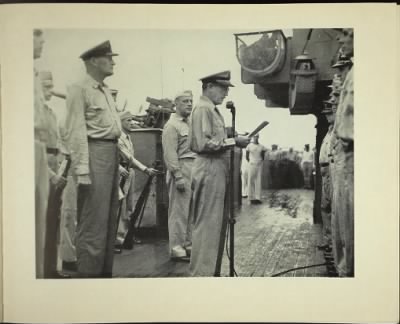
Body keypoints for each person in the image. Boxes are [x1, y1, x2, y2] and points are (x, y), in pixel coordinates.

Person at [63, 40, 121, 278]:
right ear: (93, 61)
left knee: (108, 222)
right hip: (95, 154)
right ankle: (88, 277)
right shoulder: (79, 89)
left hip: (111, 153)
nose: (113, 61)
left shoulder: (105, 90)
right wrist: (83, 170)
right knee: (93, 222)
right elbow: (76, 130)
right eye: (108, 57)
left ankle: (103, 275)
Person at [188, 71, 250, 276]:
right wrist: (234, 142)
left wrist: (232, 137)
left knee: (215, 225)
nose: (225, 93)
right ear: (209, 87)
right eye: (222, 88)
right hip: (209, 167)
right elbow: (201, 143)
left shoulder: (211, 110)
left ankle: (210, 273)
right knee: (207, 225)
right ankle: (201, 275)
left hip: (216, 168)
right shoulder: (203, 109)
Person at [115, 110, 158, 251]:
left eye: (131, 120)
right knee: (119, 207)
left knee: (129, 206)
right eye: (128, 121)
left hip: (130, 172)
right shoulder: (119, 138)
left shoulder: (128, 137)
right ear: (120, 122)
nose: (131, 123)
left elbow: (131, 160)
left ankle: (127, 234)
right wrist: (145, 169)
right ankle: (117, 239)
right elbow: (128, 158)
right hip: (122, 172)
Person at [162, 90, 196, 261]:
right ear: (176, 104)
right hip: (181, 168)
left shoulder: (190, 123)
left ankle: (188, 245)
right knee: (178, 211)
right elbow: (170, 154)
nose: (189, 104)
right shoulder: (172, 126)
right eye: (185, 101)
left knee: (190, 211)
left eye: (191, 101)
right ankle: (176, 248)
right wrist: (178, 175)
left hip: (193, 167)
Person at [39, 71, 68, 278]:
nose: (50, 91)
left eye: (51, 86)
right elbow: (33, 150)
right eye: (46, 86)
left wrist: (58, 170)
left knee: (52, 221)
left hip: (53, 165)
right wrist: (51, 175)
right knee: (42, 222)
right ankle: (41, 270)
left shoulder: (49, 112)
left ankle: (50, 268)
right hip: (42, 170)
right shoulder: (35, 113)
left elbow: (55, 147)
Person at [331, 28, 354, 277]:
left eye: (345, 34)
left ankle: (349, 272)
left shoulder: (360, 76)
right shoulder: (352, 78)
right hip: (344, 158)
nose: (340, 39)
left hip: (352, 157)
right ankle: (344, 268)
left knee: (351, 223)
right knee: (343, 223)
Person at [33, 29, 50, 278]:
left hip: (40, 146)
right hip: (28, 143)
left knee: (43, 215)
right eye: (39, 39)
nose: (43, 43)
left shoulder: (33, 75)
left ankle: (40, 272)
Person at [318, 101, 336, 251]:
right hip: (325, 171)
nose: (327, 116)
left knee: (331, 207)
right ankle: (328, 240)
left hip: (331, 170)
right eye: (326, 114)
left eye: (330, 113)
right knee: (324, 207)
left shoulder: (337, 131)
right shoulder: (329, 130)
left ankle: (333, 243)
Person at [246, 134, 266, 204]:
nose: (255, 138)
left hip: (259, 164)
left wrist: (259, 161)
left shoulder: (262, 146)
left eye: (257, 137)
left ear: (258, 137)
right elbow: (247, 156)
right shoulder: (249, 146)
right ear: (252, 138)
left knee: (258, 180)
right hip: (252, 164)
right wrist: (251, 162)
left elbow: (263, 156)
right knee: (250, 180)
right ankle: (250, 197)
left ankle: (258, 197)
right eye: (254, 137)